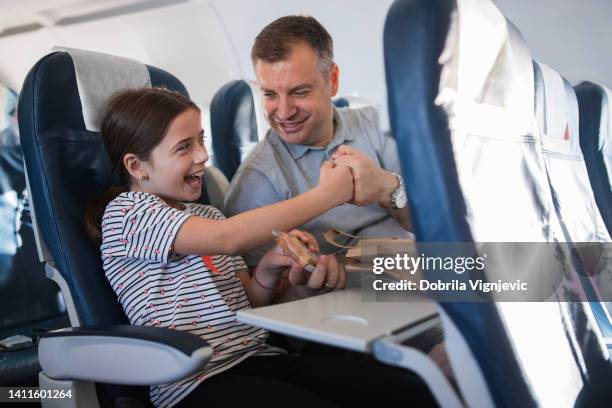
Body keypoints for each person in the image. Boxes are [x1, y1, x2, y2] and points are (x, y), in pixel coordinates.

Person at [84, 88, 436, 408]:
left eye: (201, 140)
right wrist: (328, 195)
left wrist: (270, 268)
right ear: (136, 166)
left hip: (254, 356)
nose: (203, 156)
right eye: (184, 147)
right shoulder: (128, 213)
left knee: (402, 389)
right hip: (192, 381)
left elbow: (247, 300)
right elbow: (228, 238)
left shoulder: (206, 213)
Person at [224, 15, 413, 267]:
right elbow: (265, 292)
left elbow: (433, 222)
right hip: (356, 296)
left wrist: (386, 187)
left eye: (299, 92)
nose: (283, 112)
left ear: (332, 80)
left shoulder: (376, 124)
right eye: (270, 94)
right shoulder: (257, 180)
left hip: (419, 268)